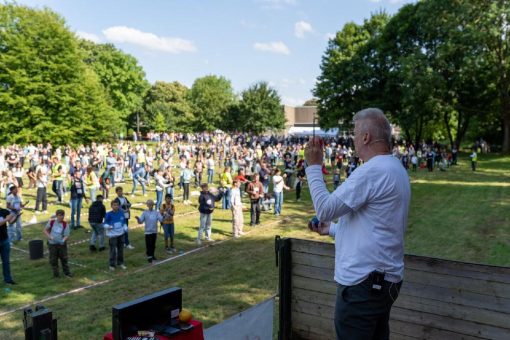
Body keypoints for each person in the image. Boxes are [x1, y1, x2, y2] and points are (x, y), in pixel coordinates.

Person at [305, 108, 410, 340]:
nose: (353, 139)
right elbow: (377, 226)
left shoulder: (373, 170)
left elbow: (324, 209)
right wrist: (332, 229)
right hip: (382, 282)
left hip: (363, 286)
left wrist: (313, 165)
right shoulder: (395, 168)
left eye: (355, 133)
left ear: (365, 137)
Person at [44, 210, 73, 278]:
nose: (61, 217)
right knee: (53, 260)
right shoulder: (51, 222)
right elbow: (45, 230)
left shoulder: (65, 224)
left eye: (62, 215)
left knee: (64, 259)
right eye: (59, 215)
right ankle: (56, 275)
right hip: (52, 244)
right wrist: (49, 237)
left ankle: (67, 273)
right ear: (57, 216)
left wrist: (63, 240)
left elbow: (67, 235)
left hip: (61, 245)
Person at [104, 200, 127, 271]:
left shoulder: (121, 213)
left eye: (117, 205)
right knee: (113, 250)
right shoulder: (108, 214)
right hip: (113, 235)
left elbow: (124, 222)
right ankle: (112, 265)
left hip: (121, 234)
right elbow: (104, 224)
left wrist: (125, 227)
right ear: (111, 206)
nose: (116, 206)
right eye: (114, 205)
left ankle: (120, 263)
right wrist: (108, 226)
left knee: (121, 250)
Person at [0, 208, 17, 284]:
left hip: (5, 240)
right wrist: (7, 219)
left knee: (6, 262)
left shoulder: (4, 211)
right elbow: (6, 220)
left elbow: (11, 222)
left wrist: (16, 216)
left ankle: (8, 279)